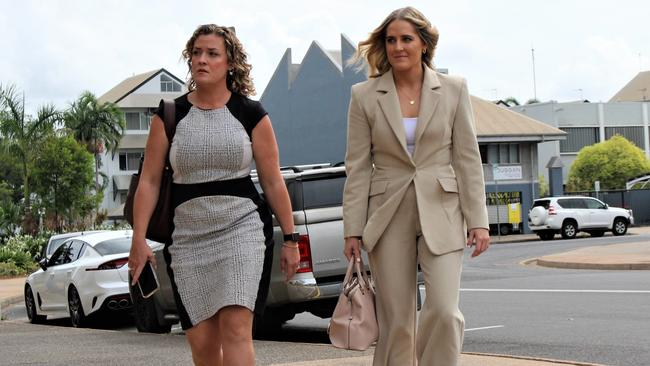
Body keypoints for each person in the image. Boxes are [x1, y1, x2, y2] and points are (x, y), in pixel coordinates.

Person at [128, 24, 301, 366]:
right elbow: (148, 181)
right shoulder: (169, 115)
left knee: (236, 330)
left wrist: (292, 238)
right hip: (188, 239)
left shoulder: (251, 113)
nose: (201, 60)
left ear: (230, 63)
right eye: (196, 53)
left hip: (242, 230)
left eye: (212, 53)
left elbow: (272, 180)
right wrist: (138, 239)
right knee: (204, 347)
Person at [342, 7, 491, 366]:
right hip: (386, 212)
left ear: (424, 44)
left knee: (442, 310)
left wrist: (478, 219)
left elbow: (468, 158)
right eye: (391, 40)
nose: (398, 47)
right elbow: (358, 167)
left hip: (442, 208)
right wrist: (353, 229)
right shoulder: (364, 95)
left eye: (406, 39)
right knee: (398, 320)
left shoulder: (454, 89)